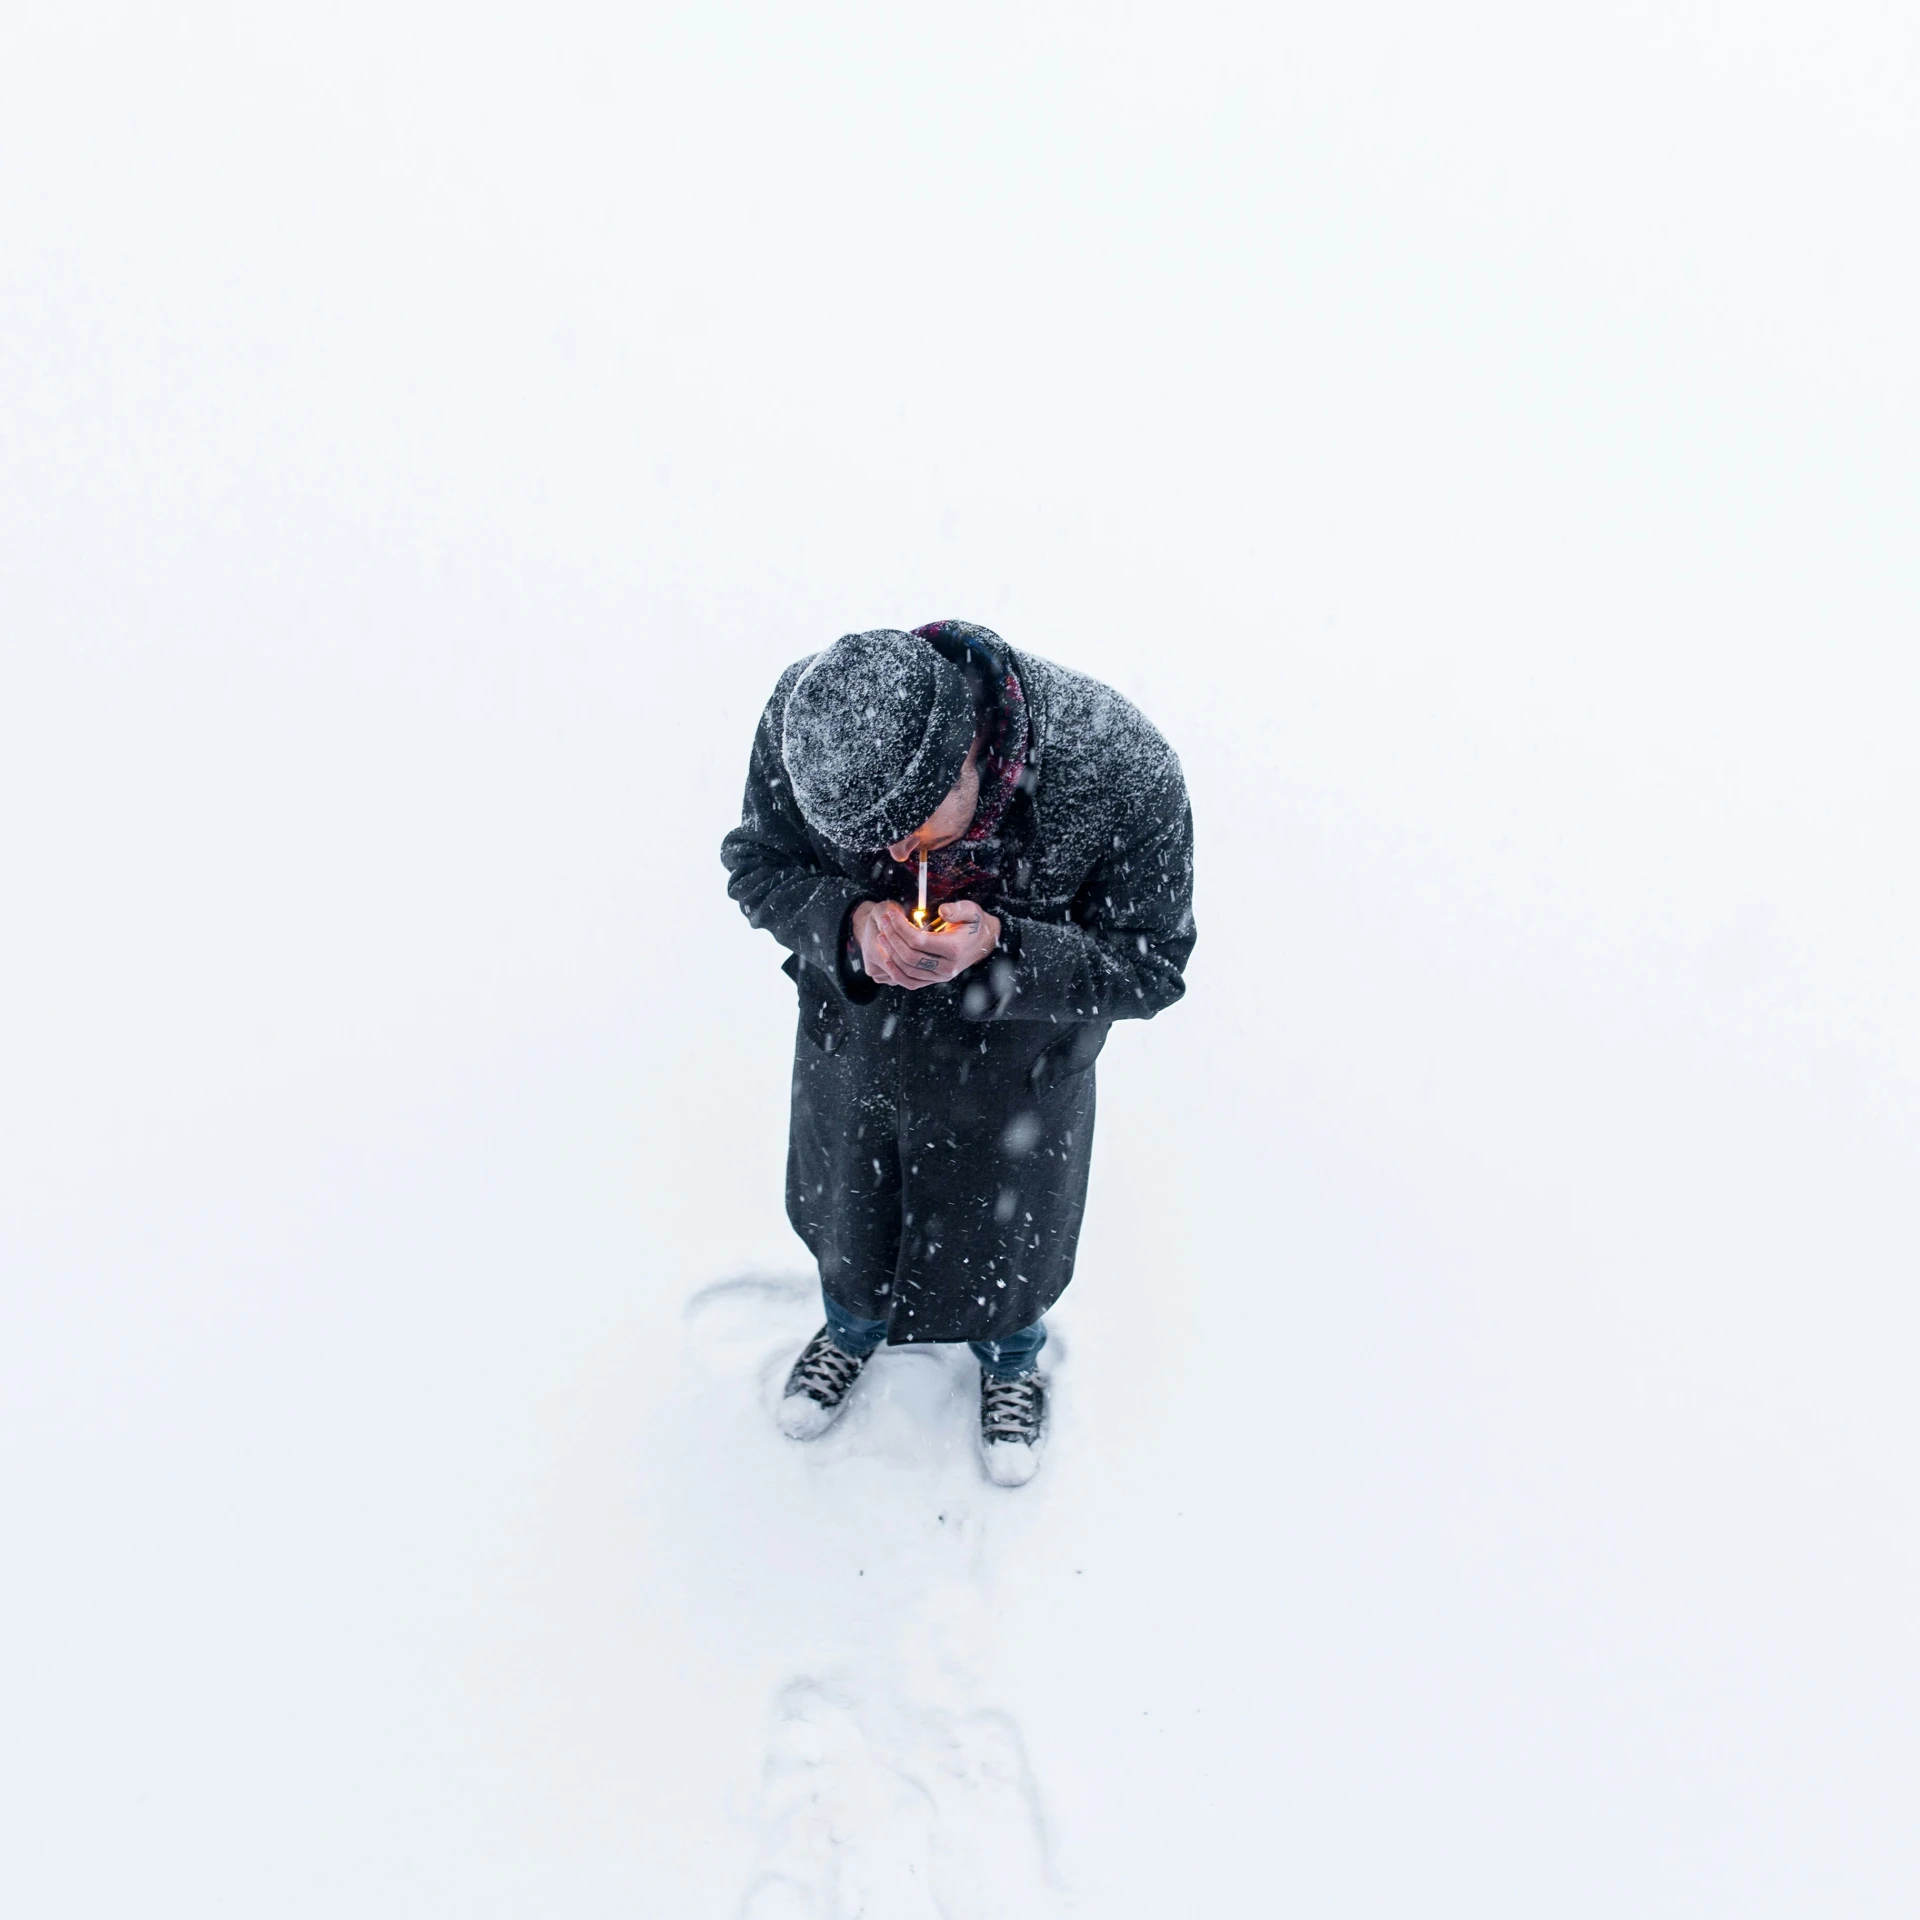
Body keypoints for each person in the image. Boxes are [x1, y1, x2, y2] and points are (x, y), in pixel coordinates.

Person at [720, 621, 1195, 1486]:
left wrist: (1008, 953)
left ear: (971, 750)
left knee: (1005, 1265)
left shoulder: (1120, 767)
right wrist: (849, 921)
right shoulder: (810, 719)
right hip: (858, 1062)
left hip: (1017, 1091)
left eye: (910, 830)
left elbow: (1153, 965)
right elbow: (757, 864)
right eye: (872, 843)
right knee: (852, 1239)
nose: (897, 858)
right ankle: (850, 1329)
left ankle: (1012, 1363)